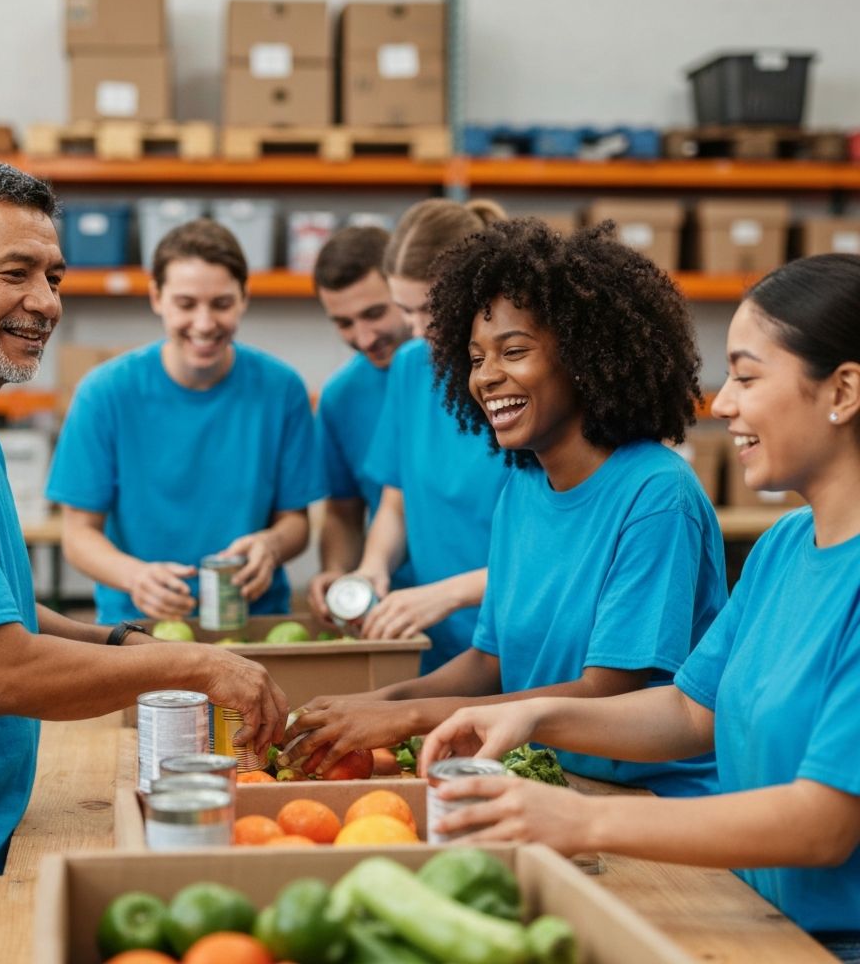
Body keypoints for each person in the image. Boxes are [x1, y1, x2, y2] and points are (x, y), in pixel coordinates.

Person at [0, 160, 288, 964]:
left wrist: (124, 644)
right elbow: (1, 672)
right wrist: (195, 669)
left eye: (53, 275)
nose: (46, 302)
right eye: (15, 273)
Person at [420, 253, 860, 959]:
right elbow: (690, 711)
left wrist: (578, 821)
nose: (721, 404)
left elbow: (822, 824)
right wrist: (529, 712)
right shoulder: (783, 547)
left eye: (746, 376)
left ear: (842, 390)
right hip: (747, 916)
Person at [286, 218, 725, 796]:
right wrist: (372, 703)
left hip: (654, 799)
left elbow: (608, 692)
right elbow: (488, 662)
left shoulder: (656, 494)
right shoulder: (522, 485)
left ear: (585, 356)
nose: (488, 378)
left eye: (513, 351)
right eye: (474, 359)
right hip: (551, 781)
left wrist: (415, 717)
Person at [46, 218, 326, 624]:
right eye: (186, 304)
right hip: (139, 627)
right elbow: (77, 535)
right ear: (157, 297)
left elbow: (295, 521)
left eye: (222, 303)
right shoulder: (105, 393)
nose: (205, 323)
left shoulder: (281, 390)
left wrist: (272, 544)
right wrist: (137, 577)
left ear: (244, 298)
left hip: (252, 623)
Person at [318, 199, 513, 673]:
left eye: (431, 309)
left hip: (520, 637)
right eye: (406, 311)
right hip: (434, 643)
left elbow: (561, 549)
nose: (420, 330)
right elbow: (395, 502)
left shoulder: (524, 378)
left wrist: (444, 595)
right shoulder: (411, 367)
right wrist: (372, 567)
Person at [307, 225, 414, 619]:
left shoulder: (470, 378)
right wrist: (336, 572)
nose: (365, 337)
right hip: (390, 613)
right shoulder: (340, 396)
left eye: (374, 313)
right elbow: (342, 512)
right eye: (344, 323)